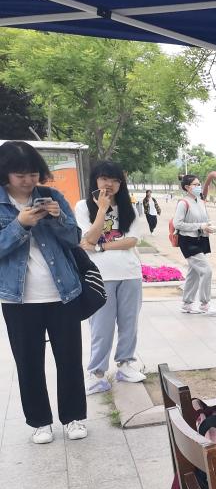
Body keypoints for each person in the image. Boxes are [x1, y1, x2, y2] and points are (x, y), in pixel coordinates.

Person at [0, 141, 88, 443]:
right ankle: (40, 422)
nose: (28, 180)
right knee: (28, 362)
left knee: (69, 358)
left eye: (33, 173)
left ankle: (74, 417)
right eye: (20, 175)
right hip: (18, 298)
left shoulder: (53, 196)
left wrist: (58, 218)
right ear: (5, 173)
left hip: (63, 293)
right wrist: (19, 224)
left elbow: (74, 238)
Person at [75, 161, 149, 395]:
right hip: (100, 276)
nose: (109, 184)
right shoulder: (82, 207)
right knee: (101, 326)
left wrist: (100, 247)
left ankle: (125, 365)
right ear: (95, 180)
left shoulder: (129, 208)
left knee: (129, 323)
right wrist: (102, 209)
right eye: (104, 178)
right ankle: (96, 373)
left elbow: (132, 240)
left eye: (115, 180)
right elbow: (88, 238)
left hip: (129, 274)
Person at [173, 175, 216, 315]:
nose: (199, 186)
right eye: (195, 184)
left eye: (199, 184)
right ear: (187, 187)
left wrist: (208, 226)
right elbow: (177, 224)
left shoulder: (200, 201)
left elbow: (205, 220)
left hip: (201, 239)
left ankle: (187, 304)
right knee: (206, 270)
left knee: (194, 273)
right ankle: (205, 304)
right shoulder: (183, 203)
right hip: (188, 241)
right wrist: (200, 226)